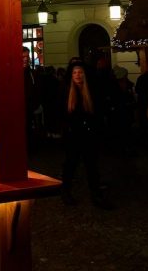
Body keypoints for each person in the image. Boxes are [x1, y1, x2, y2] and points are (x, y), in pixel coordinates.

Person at [60, 61, 112, 209]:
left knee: (92, 166)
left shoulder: (91, 90)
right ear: (71, 75)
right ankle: (66, 191)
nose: (77, 75)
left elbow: (97, 111)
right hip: (73, 136)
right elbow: (61, 112)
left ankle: (96, 195)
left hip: (89, 135)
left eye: (80, 72)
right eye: (75, 73)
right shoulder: (66, 91)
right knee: (70, 164)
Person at [23, 47, 42, 151]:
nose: (25, 59)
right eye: (23, 57)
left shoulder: (32, 73)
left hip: (29, 109)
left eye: (27, 56)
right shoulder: (30, 73)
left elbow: (37, 90)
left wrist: (34, 104)